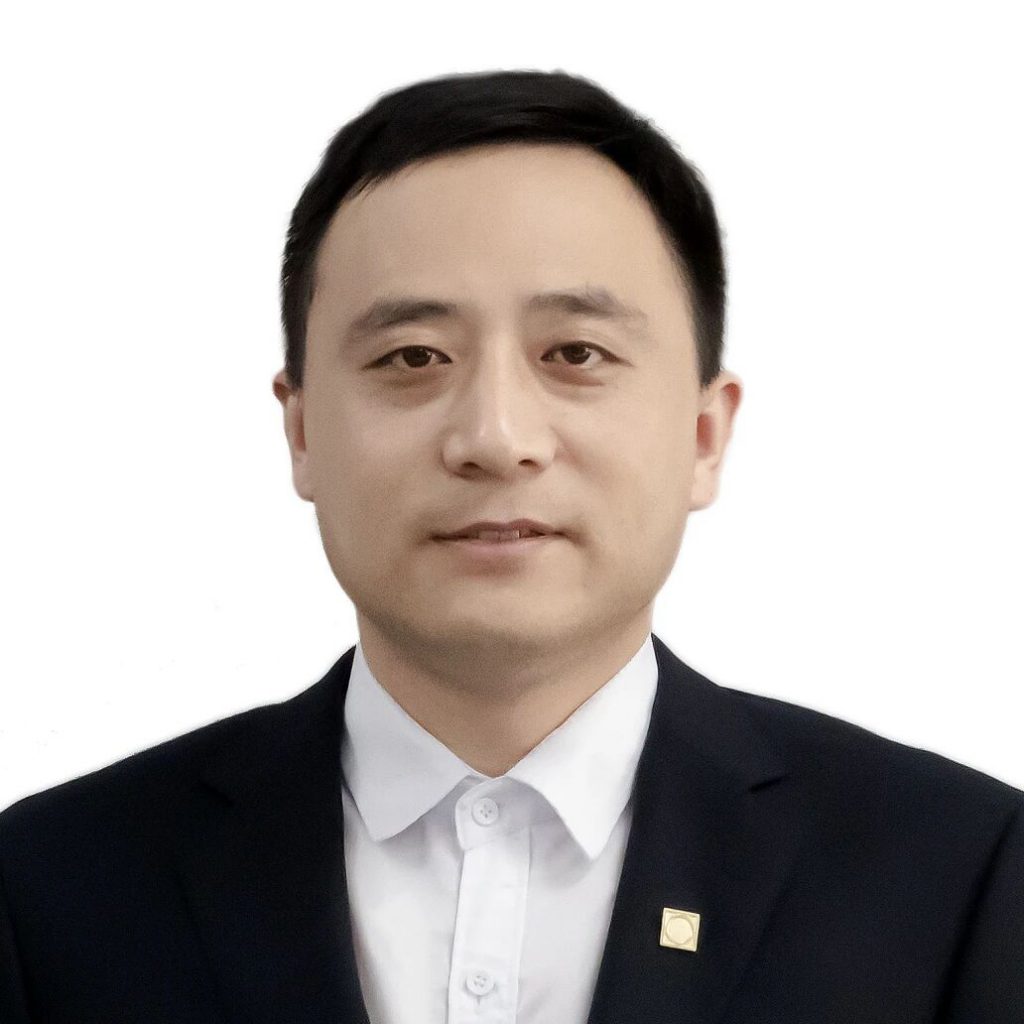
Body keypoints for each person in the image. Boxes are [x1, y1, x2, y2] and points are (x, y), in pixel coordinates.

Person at [1, 68, 1021, 1023]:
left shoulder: (958, 873)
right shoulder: (50, 886)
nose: (494, 437)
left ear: (704, 435)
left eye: (575, 352)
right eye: (412, 356)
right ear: (302, 432)